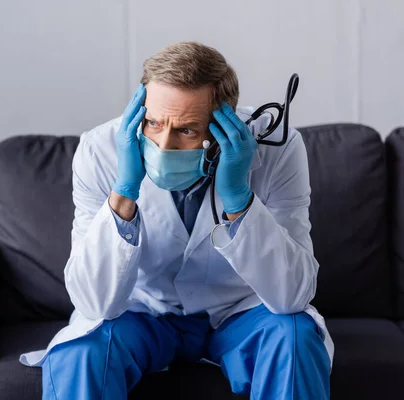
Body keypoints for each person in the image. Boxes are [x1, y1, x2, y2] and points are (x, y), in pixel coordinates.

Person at [20, 41, 334, 400]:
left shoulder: (278, 149)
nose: (164, 146)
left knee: (294, 336)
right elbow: (93, 303)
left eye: (186, 130)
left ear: (219, 131)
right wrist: (124, 192)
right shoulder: (100, 151)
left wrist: (237, 198)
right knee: (79, 352)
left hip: (239, 313)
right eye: (153, 123)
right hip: (142, 312)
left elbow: (293, 295)